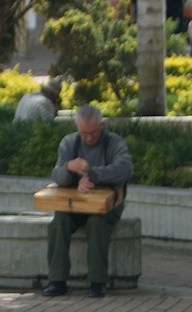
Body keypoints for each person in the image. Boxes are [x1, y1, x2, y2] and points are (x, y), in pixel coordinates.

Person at [41, 105, 132, 299]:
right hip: (75, 204)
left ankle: (97, 282)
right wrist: (69, 167)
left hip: (107, 204)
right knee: (59, 222)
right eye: (84, 133)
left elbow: (125, 169)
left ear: (102, 125)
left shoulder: (114, 142)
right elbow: (57, 175)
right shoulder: (69, 143)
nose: (89, 137)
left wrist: (93, 175)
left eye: (93, 132)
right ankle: (57, 281)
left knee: (97, 223)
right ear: (76, 126)